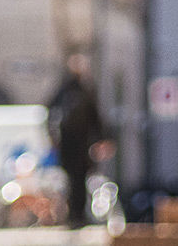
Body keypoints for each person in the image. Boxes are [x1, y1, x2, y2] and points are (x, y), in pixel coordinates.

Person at [46, 53, 108, 228]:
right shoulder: (69, 91)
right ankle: (73, 215)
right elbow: (50, 112)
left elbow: (95, 117)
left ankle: (77, 215)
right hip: (71, 143)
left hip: (79, 144)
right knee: (72, 180)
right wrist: (52, 135)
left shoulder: (83, 90)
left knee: (78, 179)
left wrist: (101, 139)